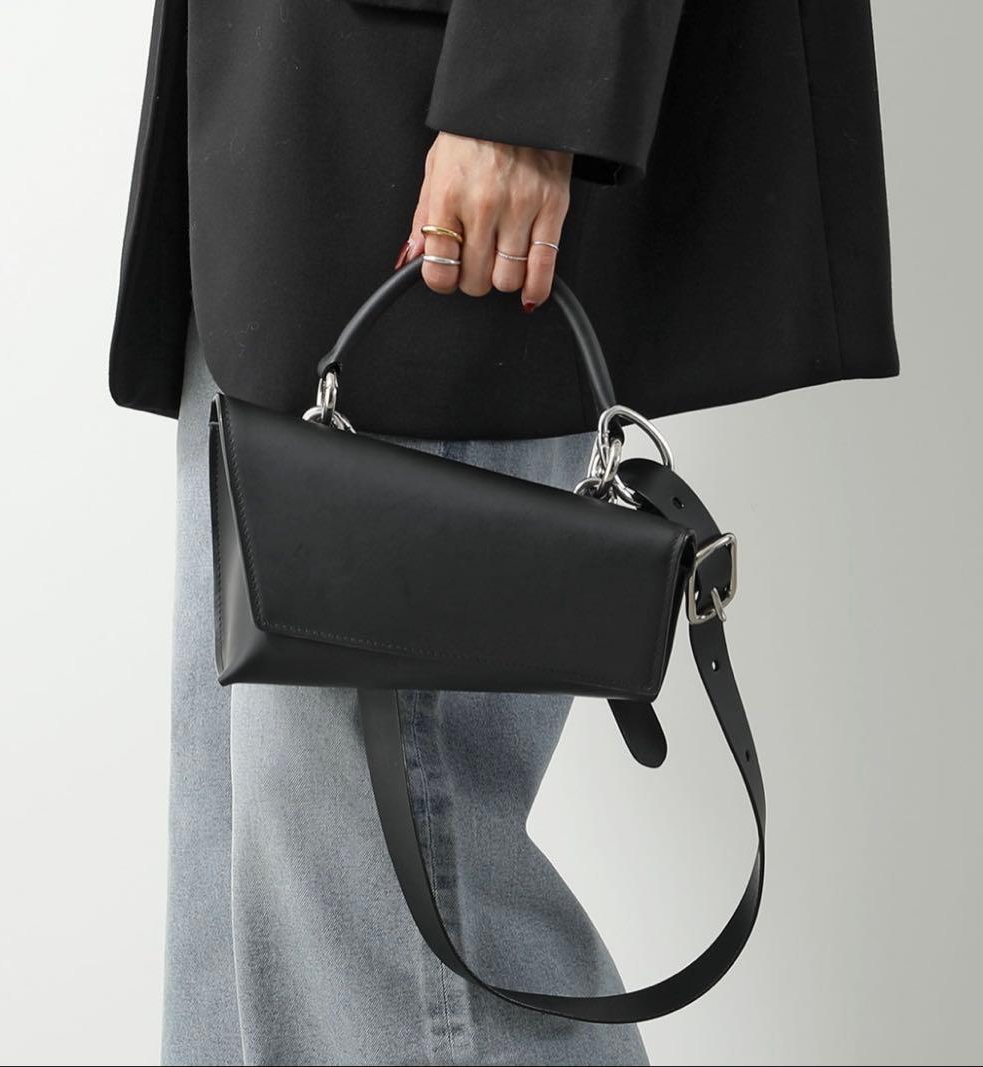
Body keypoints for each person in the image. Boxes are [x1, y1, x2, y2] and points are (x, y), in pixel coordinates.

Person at [108, 2, 899, 1064]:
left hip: (429, 118)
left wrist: (526, 88)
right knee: (255, 879)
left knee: (384, 889)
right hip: (280, 119)